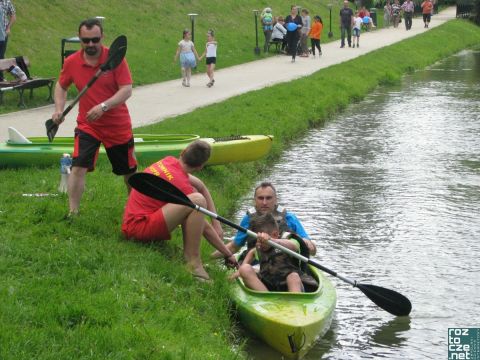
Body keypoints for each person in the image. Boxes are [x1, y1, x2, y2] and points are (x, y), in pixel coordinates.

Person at [51, 18, 136, 217]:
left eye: (95, 40)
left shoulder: (115, 58)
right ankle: (73, 212)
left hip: (117, 125)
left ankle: (135, 209)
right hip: (88, 125)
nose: (90, 44)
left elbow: (127, 89)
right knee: (78, 166)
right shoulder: (72, 62)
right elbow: (61, 86)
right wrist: (58, 109)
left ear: (102, 37)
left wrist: (104, 106)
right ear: (79, 39)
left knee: (128, 171)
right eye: (85, 40)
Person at [122, 140, 238, 281]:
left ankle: (192, 260)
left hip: (132, 222)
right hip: (138, 228)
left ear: (182, 152)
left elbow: (200, 185)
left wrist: (216, 221)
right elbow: (204, 228)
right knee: (197, 200)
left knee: (194, 198)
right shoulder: (182, 186)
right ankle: (193, 263)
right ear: (200, 167)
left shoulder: (168, 161)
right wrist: (227, 253)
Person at [213, 181, 317, 258]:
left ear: (275, 199)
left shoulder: (289, 218)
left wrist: (306, 243)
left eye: (268, 198)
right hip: (257, 263)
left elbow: (312, 250)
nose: (264, 202)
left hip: (286, 264)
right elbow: (234, 247)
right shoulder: (248, 219)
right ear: (255, 200)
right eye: (260, 198)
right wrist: (209, 258)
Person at [229, 213, 317, 292]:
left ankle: (295, 305)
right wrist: (240, 269)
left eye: (261, 240)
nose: (258, 243)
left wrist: (271, 240)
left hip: (293, 285)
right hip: (269, 285)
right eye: (257, 239)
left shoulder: (290, 239)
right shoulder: (260, 247)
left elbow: (293, 246)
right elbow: (252, 252)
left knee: (293, 277)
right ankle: (266, 298)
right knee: (245, 269)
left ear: (274, 234)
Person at [0, 0, 15, 82]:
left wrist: (8, 28)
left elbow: (13, 16)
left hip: (3, 33)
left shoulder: (7, 2)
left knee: (0, 56)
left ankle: (1, 78)